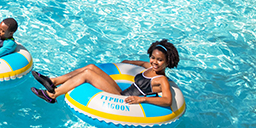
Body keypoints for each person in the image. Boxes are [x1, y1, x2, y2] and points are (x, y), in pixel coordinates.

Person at [30, 39, 180, 107]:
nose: (154, 62)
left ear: (168, 62)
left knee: (88, 74)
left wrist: (142, 100)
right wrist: (128, 62)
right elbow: (141, 63)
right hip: (122, 91)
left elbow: (167, 101)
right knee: (91, 67)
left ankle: (52, 95)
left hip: (123, 99)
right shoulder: (149, 66)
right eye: (153, 57)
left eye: (159, 60)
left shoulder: (162, 80)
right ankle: (53, 81)